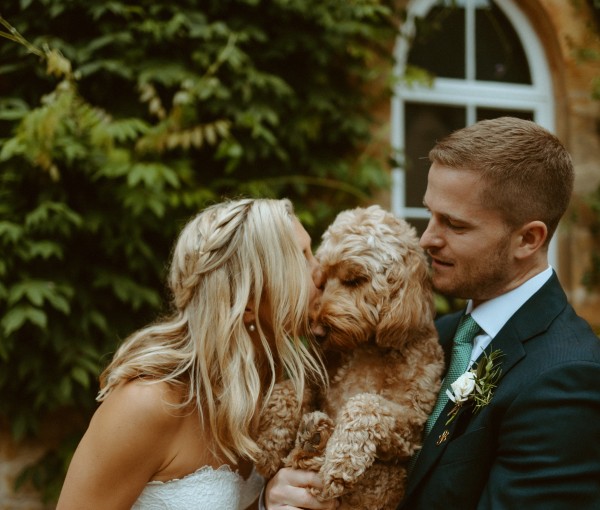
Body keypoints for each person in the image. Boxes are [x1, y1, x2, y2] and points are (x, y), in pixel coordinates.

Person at [263, 117, 600, 509]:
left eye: (454, 225)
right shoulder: (434, 336)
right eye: (430, 215)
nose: (427, 239)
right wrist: (281, 491)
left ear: (528, 239)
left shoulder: (567, 378)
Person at [57, 198, 330, 510]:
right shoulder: (147, 403)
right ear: (249, 302)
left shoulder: (272, 392)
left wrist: (267, 503)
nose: (321, 273)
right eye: (302, 258)